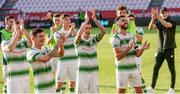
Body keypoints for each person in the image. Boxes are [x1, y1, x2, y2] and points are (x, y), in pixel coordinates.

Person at [111, 16, 150, 94]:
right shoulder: (116, 38)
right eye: (123, 20)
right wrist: (128, 47)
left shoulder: (132, 35)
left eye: (126, 20)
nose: (126, 21)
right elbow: (118, 57)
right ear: (117, 24)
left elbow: (137, 54)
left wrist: (142, 49)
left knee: (139, 91)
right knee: (121, 92)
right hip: (122, 70)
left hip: (134, 69)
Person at [75, 10, 106, 93]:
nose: (88, 30)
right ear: (82, 29)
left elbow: (103, 31)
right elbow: (78, 35)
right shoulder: (78, 41)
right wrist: (86, 20)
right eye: (86, 28)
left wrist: (95, 19)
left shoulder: (94, 39)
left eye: (89, 28)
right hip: (82, 73)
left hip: (94, 72)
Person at [27, 28, 65, 93]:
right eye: (40, 36)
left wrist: (61, 44)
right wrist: (57, 45)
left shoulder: (46, 49)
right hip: (41, 90)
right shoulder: (31, 52)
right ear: (33, 38)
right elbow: (45, 59)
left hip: (52, 88)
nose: (43, 38)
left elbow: (60, 54)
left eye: (44, 36)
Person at [148, 7, 176, 94]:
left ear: (168, 13)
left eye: (165, 12)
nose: (164, 14)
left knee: (171, 69)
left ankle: (171, 89)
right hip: (160, 50)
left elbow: (167, 25)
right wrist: (153, 19)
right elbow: (150, 28)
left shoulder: (172, 21)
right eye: (162, 13)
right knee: (155, 68)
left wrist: (158, 17)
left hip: (169, 49)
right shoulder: (159, 22)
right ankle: (152, 88)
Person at [1, 19, 32, 93]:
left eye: (20, 29)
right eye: (17, 29)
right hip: (14, 80)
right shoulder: (5, 42)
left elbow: (32, 43)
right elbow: (10, 48)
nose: (19, 31)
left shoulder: (23, 42)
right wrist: (17, 34)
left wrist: (23, 30)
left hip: (25, 78)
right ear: (12, 30)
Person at [54, 14, 77, 93]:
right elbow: (61, 42)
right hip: (63, 61)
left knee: (72, 84)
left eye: (69, 19)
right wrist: (70, 31)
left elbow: (79, 41)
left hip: (74, 61)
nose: (68, 21)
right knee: (59, 84)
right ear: (61, 21)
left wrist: (73, 31)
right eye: (66, 19)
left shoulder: (74, 32)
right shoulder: (57, 33)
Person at [128, 14, 147, 93]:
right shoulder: (125, 30)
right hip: (128, 55)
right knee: (129, 76)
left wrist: (133, 30)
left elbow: (141, 39)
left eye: (132, 19)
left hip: (137, 55)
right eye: (129, 20)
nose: (131, 21)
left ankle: (144, 90)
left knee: (137, 75)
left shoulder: (139, 29)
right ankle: (135, 91)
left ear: (134, 20)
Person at [0, 16, 15, 93]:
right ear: (6, 22)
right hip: (6, 61)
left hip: (16, 61)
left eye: (13, 22)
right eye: (11, 22)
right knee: (6, 82)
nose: (13, 24)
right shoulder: (2, 33)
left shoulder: (16, 33)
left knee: (15, 83)